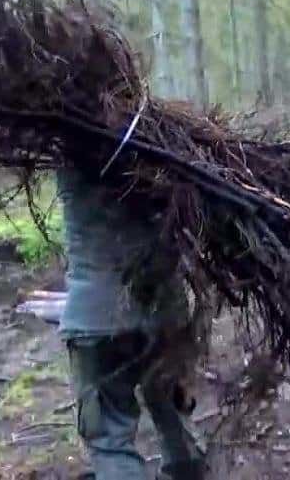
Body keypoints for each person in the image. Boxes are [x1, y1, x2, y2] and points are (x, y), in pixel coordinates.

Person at [56, 166, 207, 480]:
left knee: (111, 438)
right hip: (165, 311)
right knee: (173, 413)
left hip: (97, 319)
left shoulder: (69, 143)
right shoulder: (161, 149)